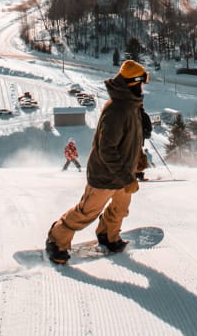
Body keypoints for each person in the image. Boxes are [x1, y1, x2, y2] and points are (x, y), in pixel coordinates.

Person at [46, 60, 150, 264]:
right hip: (105, 176)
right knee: (86, 212)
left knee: (120, 208)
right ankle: (56, 241)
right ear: (134, 84)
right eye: (142, 83)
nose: (143, 87)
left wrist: (137, 163)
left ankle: (108, 236)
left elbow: (131, 141)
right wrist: (125, 178)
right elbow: (107, 148)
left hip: (122, 175)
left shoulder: (131, 107)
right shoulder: (117, 111)